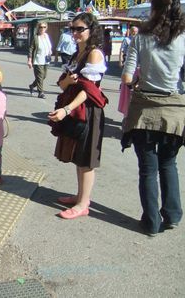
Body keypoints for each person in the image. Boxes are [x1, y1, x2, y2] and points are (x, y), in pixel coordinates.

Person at [121, 0, 185, 237]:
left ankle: (151, 222)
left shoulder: (141, 39)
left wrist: (138, 81)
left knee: (147, 169)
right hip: (174, 112)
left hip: (144, 112)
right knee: (169, 164)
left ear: (153, 10)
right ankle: (172, 215)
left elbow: (127, 76)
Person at [48, 12, 108, 220]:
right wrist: (70, 83)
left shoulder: (94, 54)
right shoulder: (77, 54)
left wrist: (67, 109)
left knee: (86, 159)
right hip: (76, 108)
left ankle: (83, 203)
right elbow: (62, 83)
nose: (75, 33)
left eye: (79, 29)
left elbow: (89, 90)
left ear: (91, 30)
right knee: (78, 156)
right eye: (72, 29)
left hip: (88, 111)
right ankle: (80, 196)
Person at [27, 21, 52, 99]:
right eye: (41, 27)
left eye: (44, 27)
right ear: (38, 28)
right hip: (37, 60)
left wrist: (50, 51)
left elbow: (48, 45)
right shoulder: (35, 37)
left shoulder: (47, 36)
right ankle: (40, 92)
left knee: (43, 76)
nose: (42, 29)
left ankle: (32, 86)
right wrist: (29, 60)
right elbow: (31, 49)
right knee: (40, 77)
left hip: (46, 60)